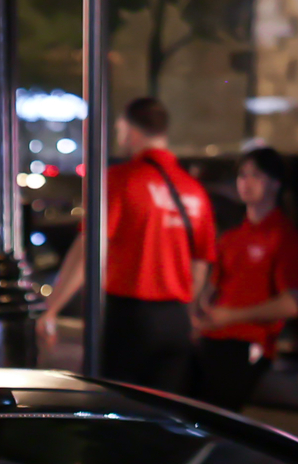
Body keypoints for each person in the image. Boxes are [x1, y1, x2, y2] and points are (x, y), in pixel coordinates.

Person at [38, 97, 213, 391]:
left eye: (120, 129)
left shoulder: (120, 180)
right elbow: (200, 264)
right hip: (175, 322)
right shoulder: (194, 191)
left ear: (131, 130)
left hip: (130, 321)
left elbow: (88, 252)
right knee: (165, 418)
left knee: (111, 407)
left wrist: (51, 308)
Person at [193, 146, 298, 410]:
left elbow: (291, 303)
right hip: (213, 337)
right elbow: (213, 288)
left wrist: (231, 316)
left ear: (275, 183)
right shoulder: (231, 238)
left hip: (246, 344)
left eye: (255, 175)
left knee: (215, 411)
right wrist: (201, 311)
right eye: (242, 175)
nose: (245, 182)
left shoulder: (283, 237)